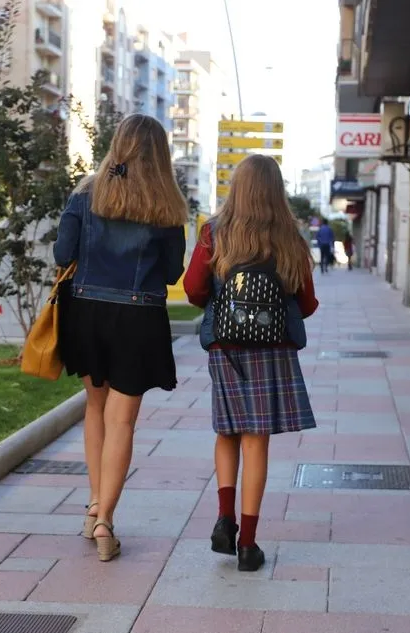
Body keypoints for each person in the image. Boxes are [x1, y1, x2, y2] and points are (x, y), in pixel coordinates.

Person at [53, 114, 188, 562]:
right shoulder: (167, 202)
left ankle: (95, 505)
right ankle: (106, 520)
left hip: (86, 313)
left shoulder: (85, 193)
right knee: (122, 421)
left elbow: (62, 253)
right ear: (160, 154)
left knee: (95, 406)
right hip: (138, 319)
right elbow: (171, 273)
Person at [183, 154, 319, 572]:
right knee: (256, 441)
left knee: (227, 431)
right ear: (276, 191)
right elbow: (307, 303)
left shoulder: (214, 232)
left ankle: (224, 519)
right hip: (272, 349)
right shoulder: (289, 237)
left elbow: (193, 289)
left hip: (226, 348)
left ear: (237, 188)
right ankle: (248, 545)